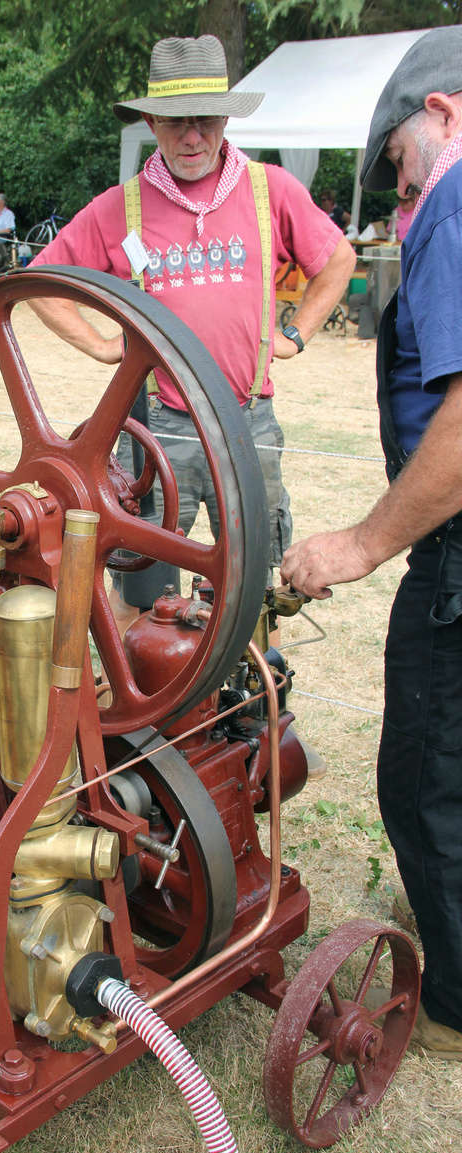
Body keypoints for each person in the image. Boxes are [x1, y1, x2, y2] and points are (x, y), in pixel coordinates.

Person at [29, 35, 355, 627]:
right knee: (143, 585)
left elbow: (337, 260)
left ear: (226, 119)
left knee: (253, 576)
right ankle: (149, 706)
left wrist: (297, 334)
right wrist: (104, 348)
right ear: (152, 121)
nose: (192, 137)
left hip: (246, 419)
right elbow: (41, 279)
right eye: (176, 122)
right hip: (160, 427)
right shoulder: (119, 207)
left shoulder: (270, 191)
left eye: (205, 121)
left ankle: (245, 703)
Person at [280, 26, 462, 1060]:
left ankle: (451, 1008)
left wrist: (359, 543)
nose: (399, 193)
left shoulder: (449, 206)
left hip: (452, 562)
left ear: (438, 113)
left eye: (393, 162)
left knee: (420, 774)